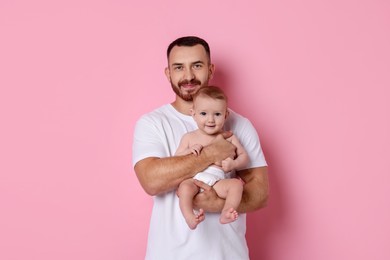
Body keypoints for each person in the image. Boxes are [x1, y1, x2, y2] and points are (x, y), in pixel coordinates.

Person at [132, 36, 269, 260]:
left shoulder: (239, 124)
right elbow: (151, 181)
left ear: (210, 69)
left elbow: (261, 193)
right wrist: (211, 154)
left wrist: (217, 203)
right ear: (168, 73)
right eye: (179, 67)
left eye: (197, 65)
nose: (188, 76)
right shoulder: (152, 123)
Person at [175, 86, 249, 230]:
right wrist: (189, 150)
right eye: (203, 113)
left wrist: (233, 164)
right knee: (184, 188)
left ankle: (227, 212)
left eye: (217, 114)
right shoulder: (189, 137)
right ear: (193, 114)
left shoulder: (230, 137)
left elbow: (244, 157)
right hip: (195, 179)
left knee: (236, 185)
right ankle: (189, 217)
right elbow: (176, 158)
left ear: (226, 115)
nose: (210, 120)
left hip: (218, 181)